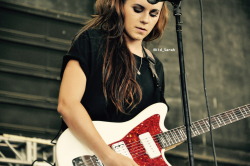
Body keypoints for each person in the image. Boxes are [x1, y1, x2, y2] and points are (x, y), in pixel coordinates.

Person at [57, 0, 169, 165]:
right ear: (119, 6)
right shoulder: (91, 41)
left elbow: (148, 132)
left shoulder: (154, 66)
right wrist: (108, 156)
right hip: (85, 156)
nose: (146, 19)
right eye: (138, 9)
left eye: (154, 13)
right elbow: (67, 105)